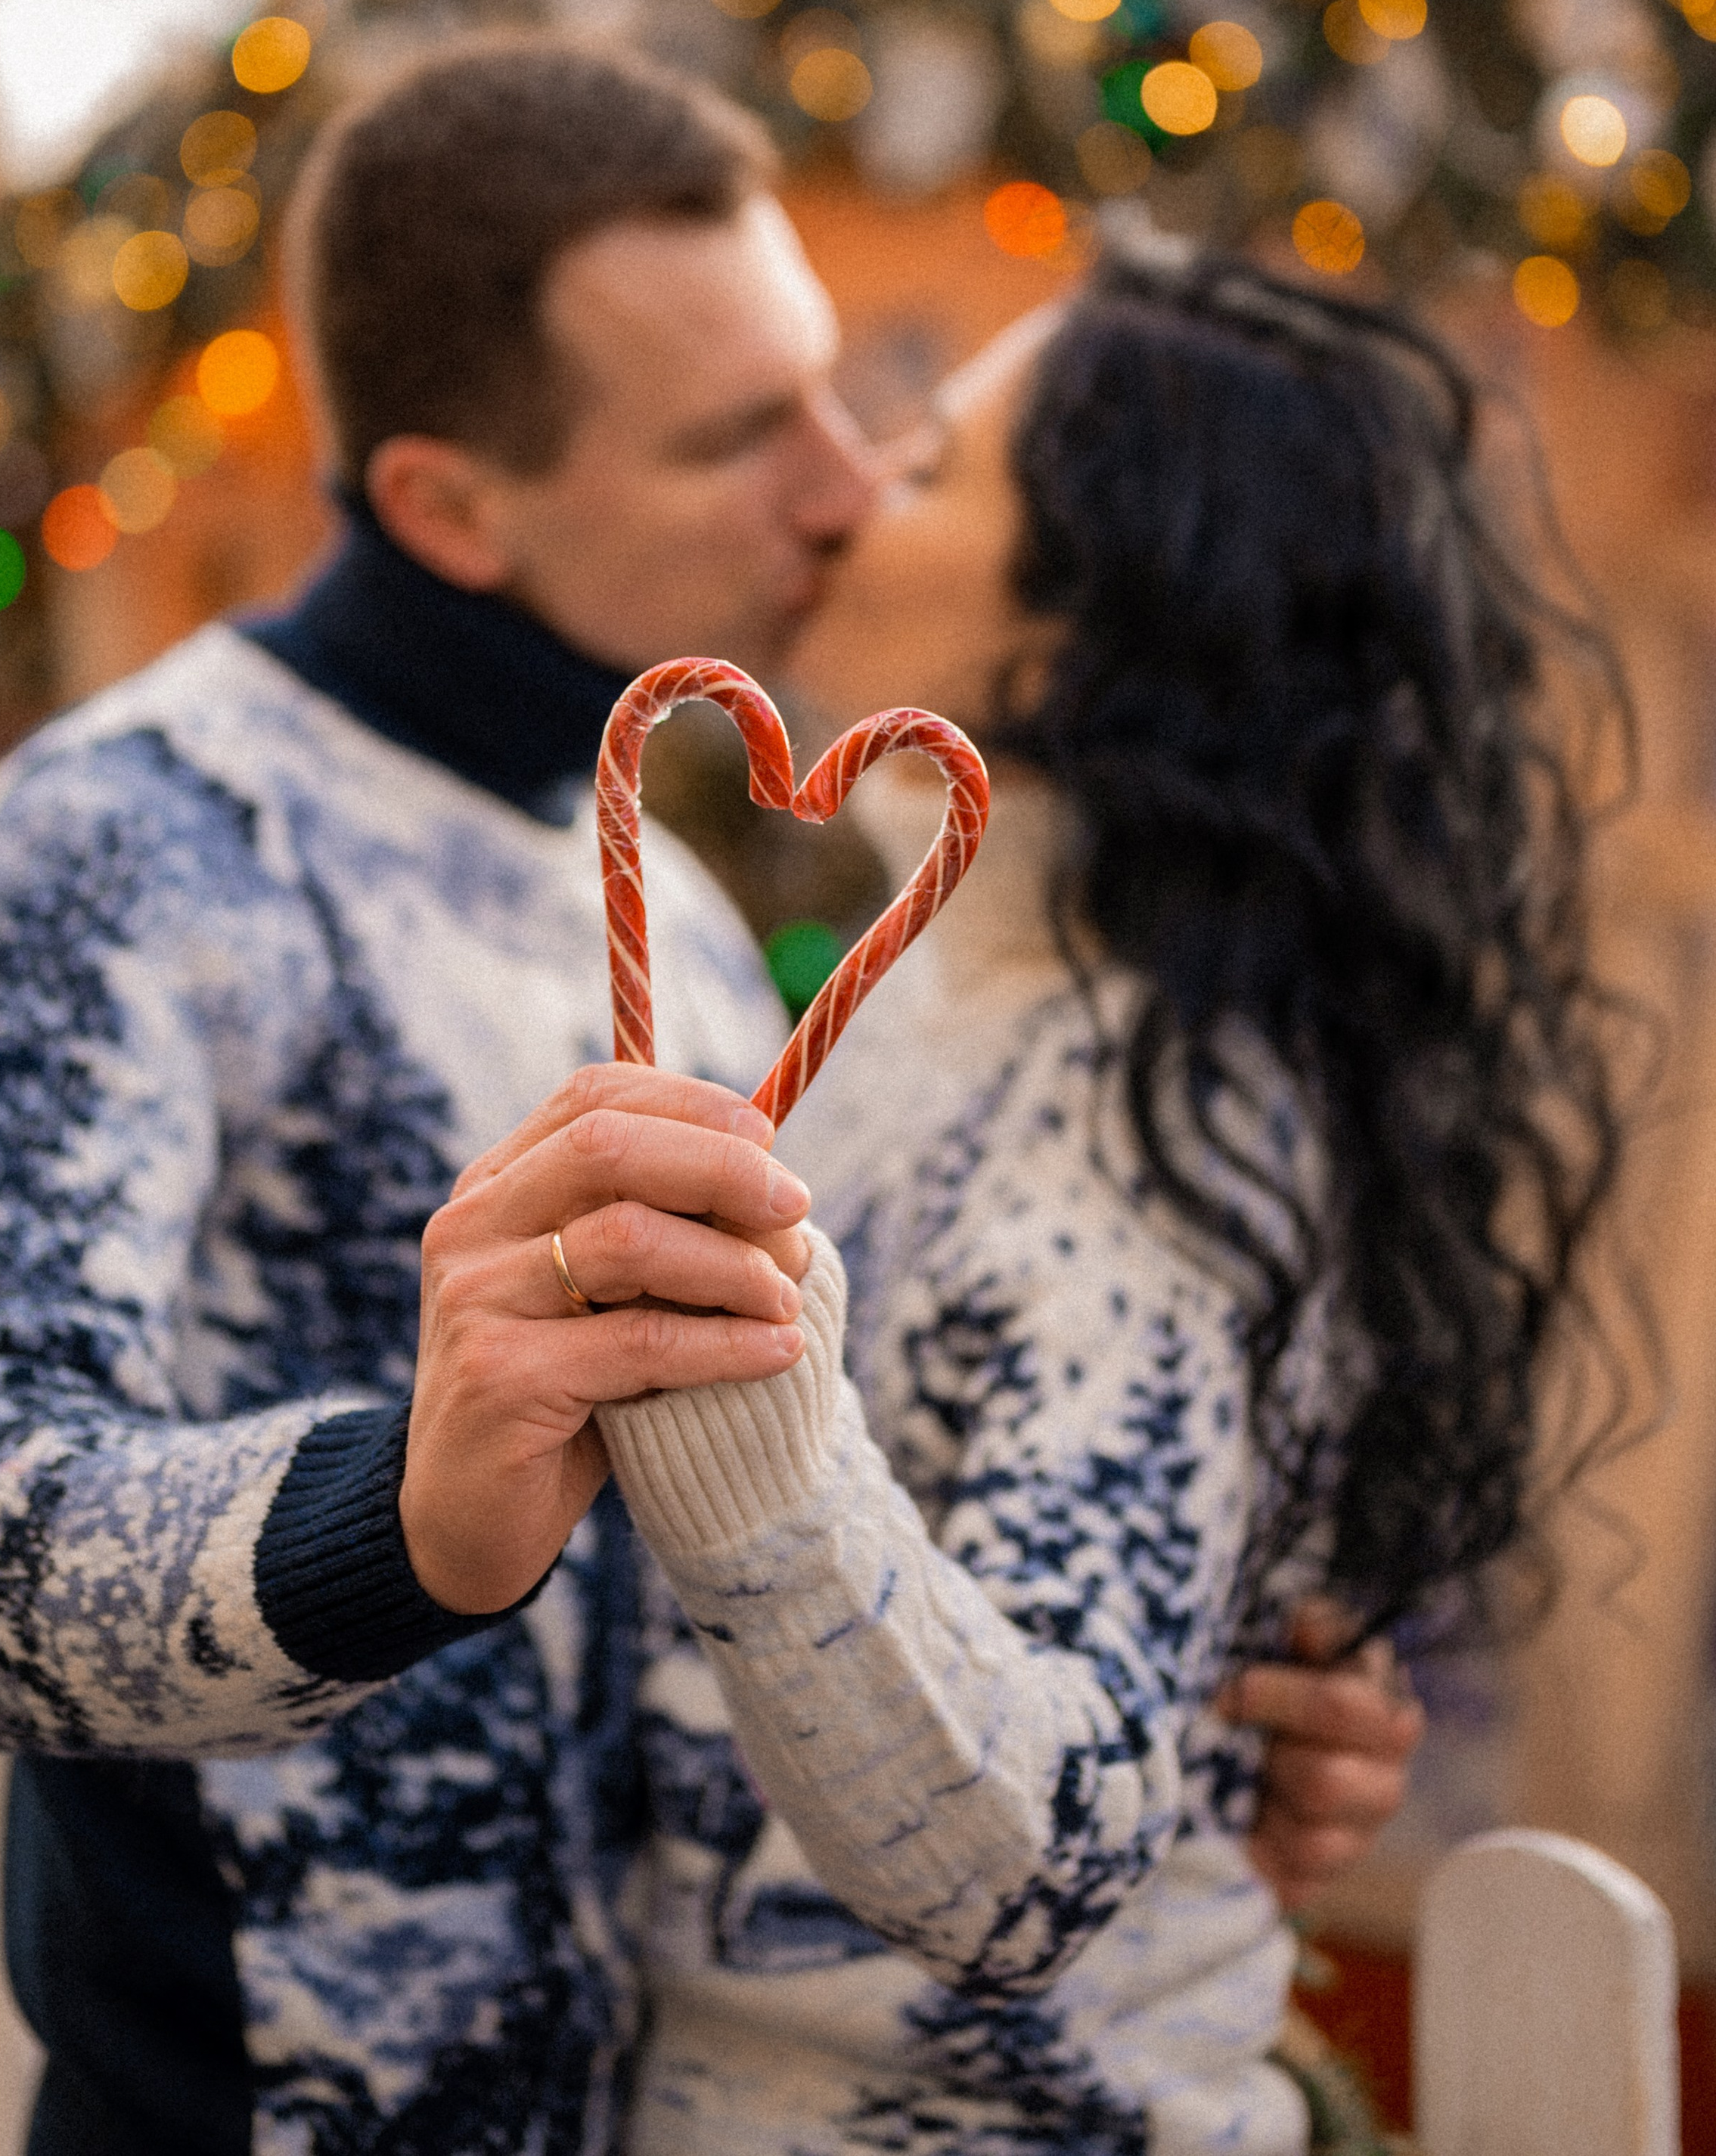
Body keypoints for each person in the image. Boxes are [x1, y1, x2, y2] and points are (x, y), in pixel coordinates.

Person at [0, 37, 1417, 2156]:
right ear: (446, 503)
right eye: (736, 436)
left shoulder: (666, 900)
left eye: (835, 394)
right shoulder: (135, 829)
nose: (846, 485)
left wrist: (1201, 1717)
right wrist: (394, 1511)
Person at [597, 244, 1623, 2154]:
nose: (840, 494)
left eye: (922, 472)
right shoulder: (942, 1006)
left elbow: (1028, 1855)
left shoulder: (1153, 1126)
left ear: (1078, 632)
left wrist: (743, 1425)